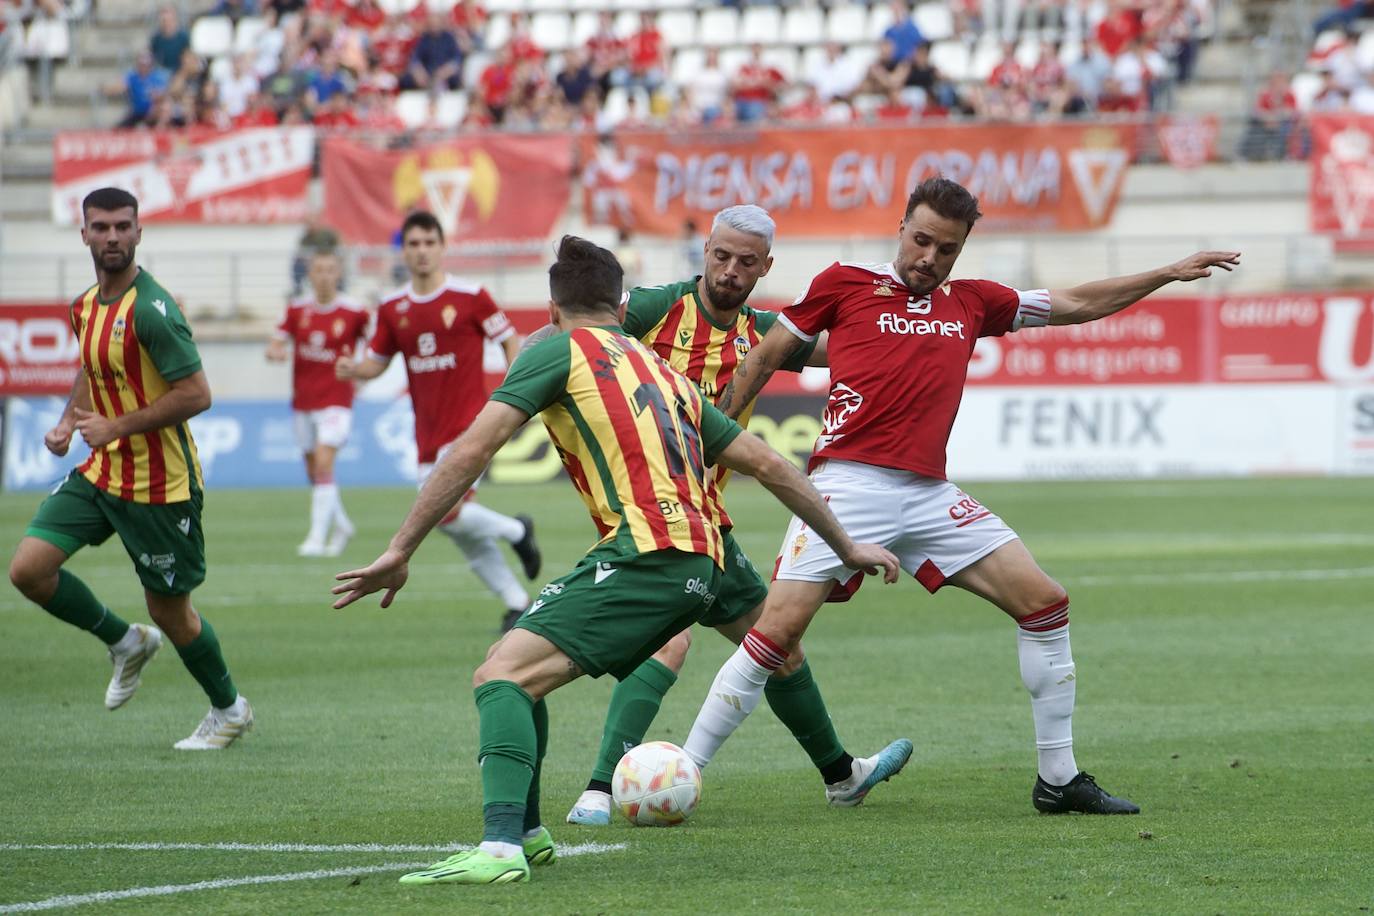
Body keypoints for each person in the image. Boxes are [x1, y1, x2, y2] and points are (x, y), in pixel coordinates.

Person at [331, 235, 900, 886]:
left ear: (553, 307)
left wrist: (400, 548)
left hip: (650, 554)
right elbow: (769, 462)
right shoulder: (664, 373)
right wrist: (845, 544)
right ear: (618, 302)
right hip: (707, 553)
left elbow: (468, 452)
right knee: (520, 668)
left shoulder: (555, 350)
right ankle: (531, 834)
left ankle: (499, 849)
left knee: (502, 678)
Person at [680, 177, 1243, 815]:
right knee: (774, 632)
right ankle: (686, 771)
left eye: (945, 248)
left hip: (927, 494)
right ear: (902, 228)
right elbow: (760, 360)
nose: (929, 258)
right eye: (921, 240)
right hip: (846, 484)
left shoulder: (974, 303)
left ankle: (1058, 780)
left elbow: (1078, 303)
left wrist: (1165, 272)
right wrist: (710, 445)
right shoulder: (844, 283)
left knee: (1044, 602)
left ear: (961, 248)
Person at [564, 204, 913, 827]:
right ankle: (597, 791)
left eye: (745, 262)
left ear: (766, 267)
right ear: (704, 251)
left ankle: (842, 776)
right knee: (669, 642)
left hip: (705, 518)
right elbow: (571, 340)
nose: (729, 270)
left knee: (778, 646)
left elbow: (856, 351)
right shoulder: (651, 309)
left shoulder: (767, 335)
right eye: (720, 256)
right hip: (646, 511)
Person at [7, 187, 253, 750]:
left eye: (123, 226)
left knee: (172, 613)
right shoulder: (84, 306)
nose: (112, 236)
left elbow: (197, 394)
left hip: (160, 485)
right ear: (85, 234)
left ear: (139, 232)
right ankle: (124, 642)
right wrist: (69, 421)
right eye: (101, 227)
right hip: (102, 473)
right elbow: (93, 369)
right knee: (28, 570)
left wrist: (115, 427)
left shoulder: (152, 309)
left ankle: (230, 708)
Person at [335, 211, 540, 633]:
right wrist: (353, 370)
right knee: (462, 530)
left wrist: (515, 390)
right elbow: (376, 364)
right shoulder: (393, 308)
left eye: (429, 242)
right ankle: (516, 601)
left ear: (442, 247)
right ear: (404, 251)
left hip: (471, 427)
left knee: (444, 515)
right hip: (427, 435)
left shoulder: (470, 296)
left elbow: (509, 338)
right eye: (414, 244)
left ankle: (517, 531)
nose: (422, 251)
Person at [266, 250, 370, 557]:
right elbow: (276, 342)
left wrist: (362, 369)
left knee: (325, 462)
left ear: (339, 274)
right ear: (310, 274)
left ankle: (315, 538)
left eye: (330, 270)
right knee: (315, 471)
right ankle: (341, 525)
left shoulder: (355, 312)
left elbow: (378, 343)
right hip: (303, 402)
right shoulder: (297, 310)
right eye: (318, 270)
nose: (324, 275)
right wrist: (276, 353)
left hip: (337, 400)